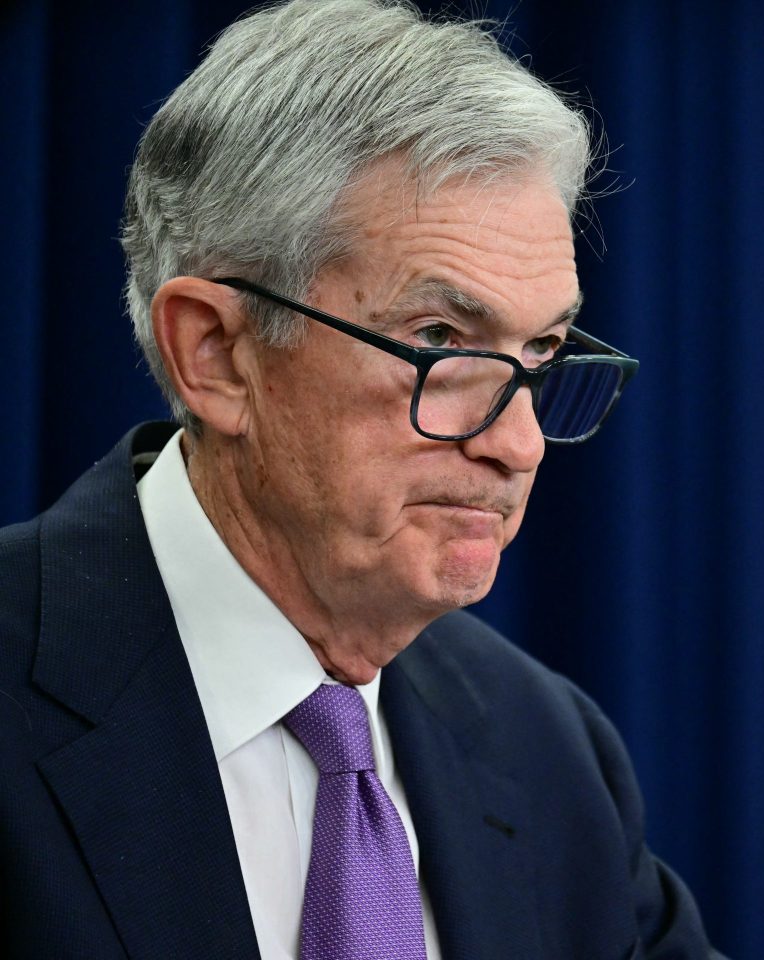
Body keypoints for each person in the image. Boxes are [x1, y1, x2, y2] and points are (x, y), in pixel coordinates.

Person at [0, 2, 723, 957]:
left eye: (542, 350)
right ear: (216, 353)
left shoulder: (551, 755)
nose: (518, 445)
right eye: (439, 340)